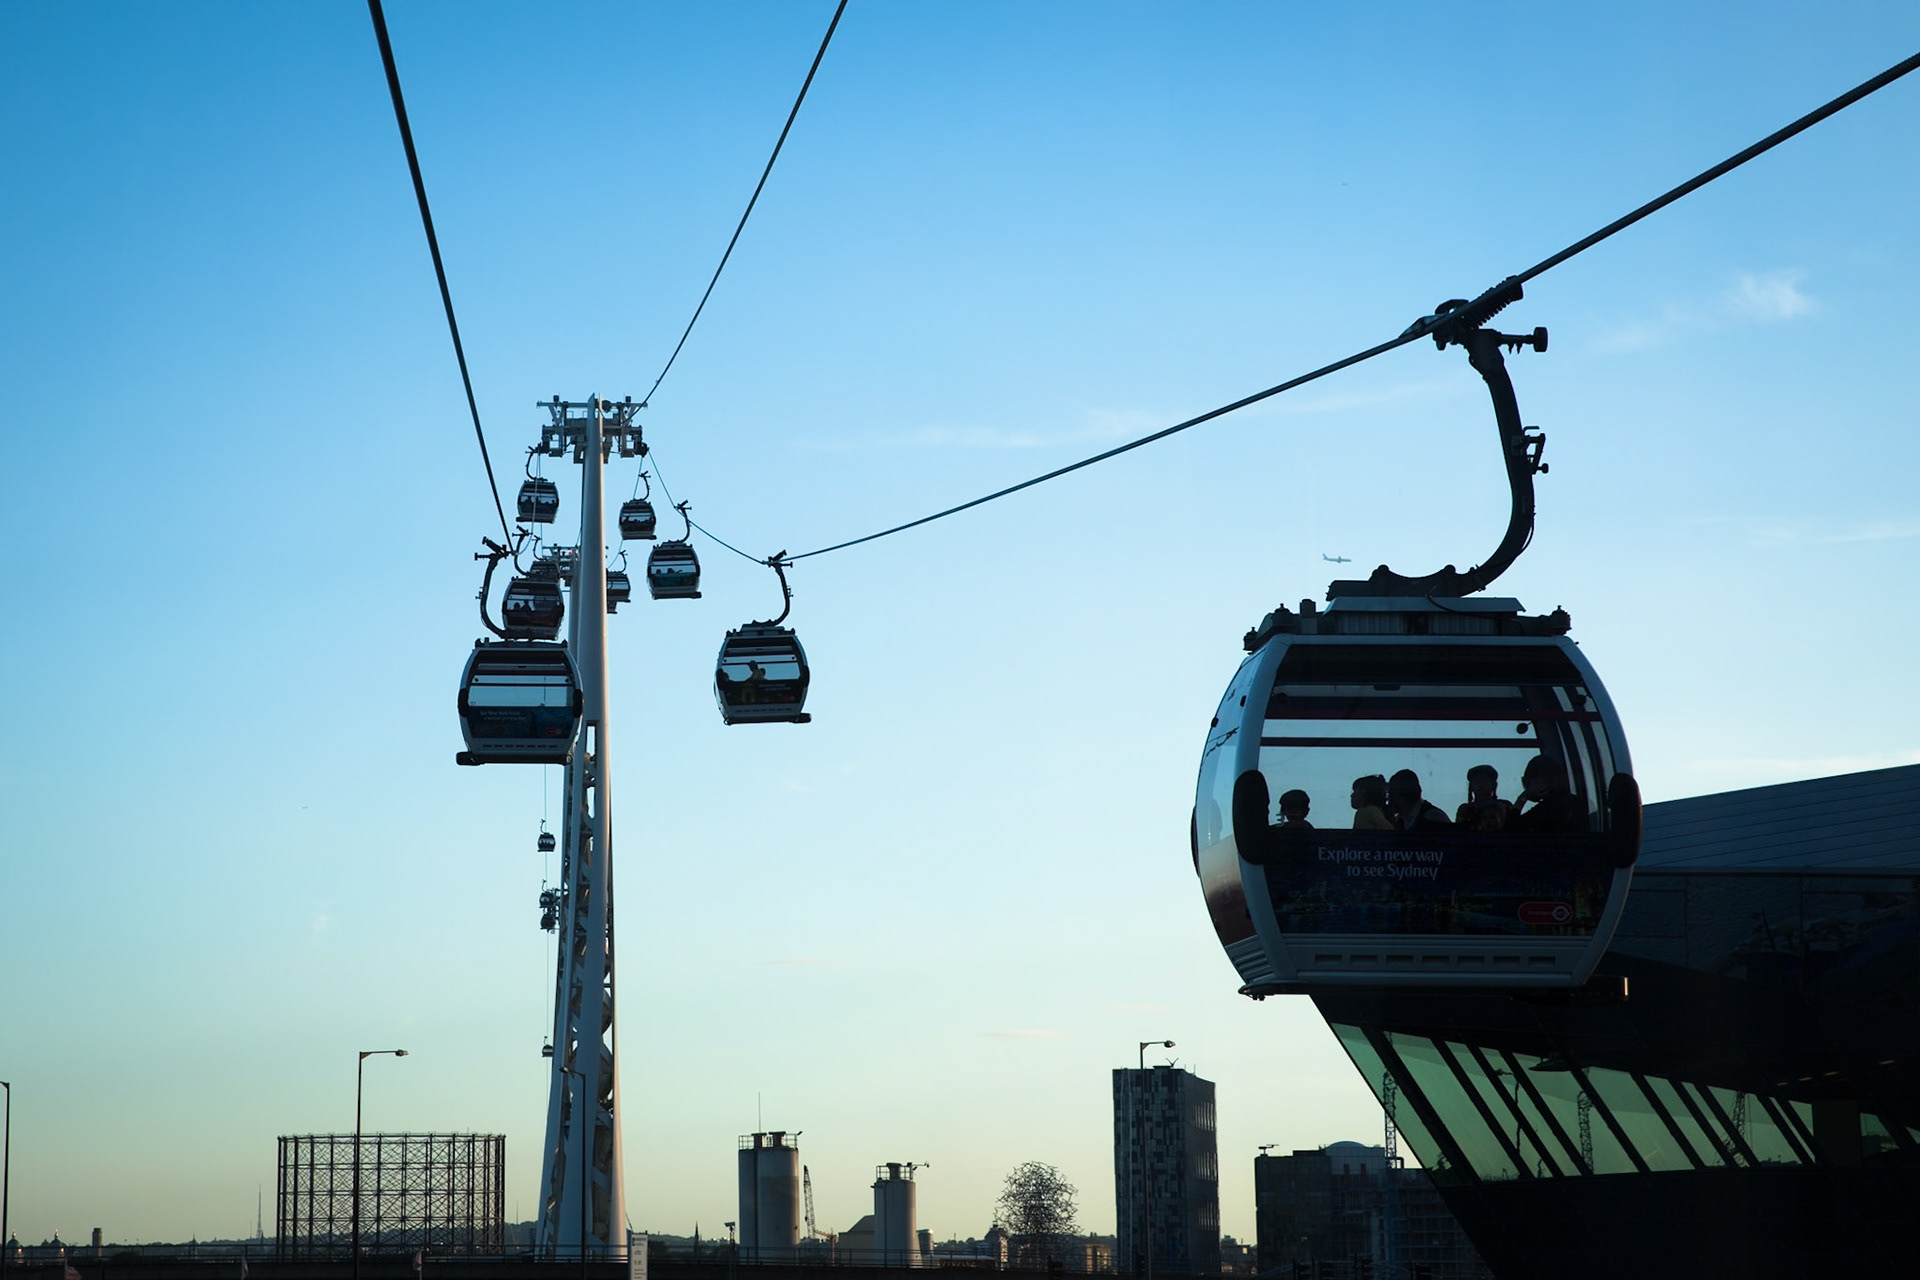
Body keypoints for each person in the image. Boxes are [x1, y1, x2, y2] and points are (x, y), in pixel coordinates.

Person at [1510, 754, 1590, 834]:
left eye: (1530, 782)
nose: (1528, 788)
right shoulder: (1575, 802)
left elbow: (1512, 828)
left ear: (1541, 781)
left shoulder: (1549, 808)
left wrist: (1522, 798)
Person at [1387, 769, 1453, 833]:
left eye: (1392, 794)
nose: (1390, 799)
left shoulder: (1432, 817)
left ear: (1405, 794)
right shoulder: (1400, 821)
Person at [1455, 764, 1514, 832]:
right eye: (1477, 781)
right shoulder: (1465, 809)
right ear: (1471, 786)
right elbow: (1459, 831)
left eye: (1485, 781)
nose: (1481, 785)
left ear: (1494, 785)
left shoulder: (1505, 805)